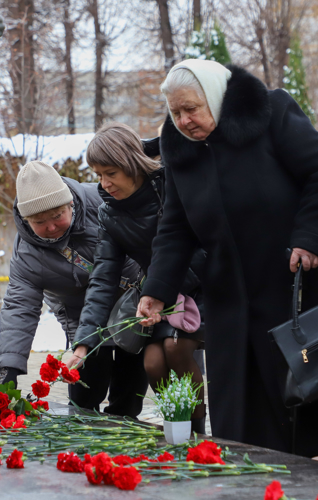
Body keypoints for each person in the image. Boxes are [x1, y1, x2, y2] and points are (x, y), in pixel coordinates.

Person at [135, 59, 318, 467]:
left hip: (299, 275)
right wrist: (156, 291)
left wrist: (310, 238)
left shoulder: (271, 112)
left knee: (314, 381)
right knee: (249, 409)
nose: (184, 120)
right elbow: (175, 227)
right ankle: (261, 475)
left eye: (191, 108)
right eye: (175, 112)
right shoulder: (179, 150)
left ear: (215, 96)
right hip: (234, 291)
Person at [65, 123, 208, 433]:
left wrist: (163, 287)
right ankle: (178, 431)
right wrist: (83, 345)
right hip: (165, 298)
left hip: (210, 289)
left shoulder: (173, 186)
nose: (104, 184)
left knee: (173, 348)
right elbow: (102, 280)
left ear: (131, 164)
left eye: (110, 173)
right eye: (98, 175)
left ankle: (197, 434)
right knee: (153, 363)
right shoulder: (110, 214)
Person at [0, 160, 145, 418]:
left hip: (130, 307)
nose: (51, 227)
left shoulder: (104, 202)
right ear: (25, 219)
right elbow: (19, 307)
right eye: (40, 222)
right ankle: (86, 445)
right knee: (85, 390)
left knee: (130, 384)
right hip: (79, 316)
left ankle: (120, 444)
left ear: (70, 204)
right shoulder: (26, 254)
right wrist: (9, 369)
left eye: (57, 216)